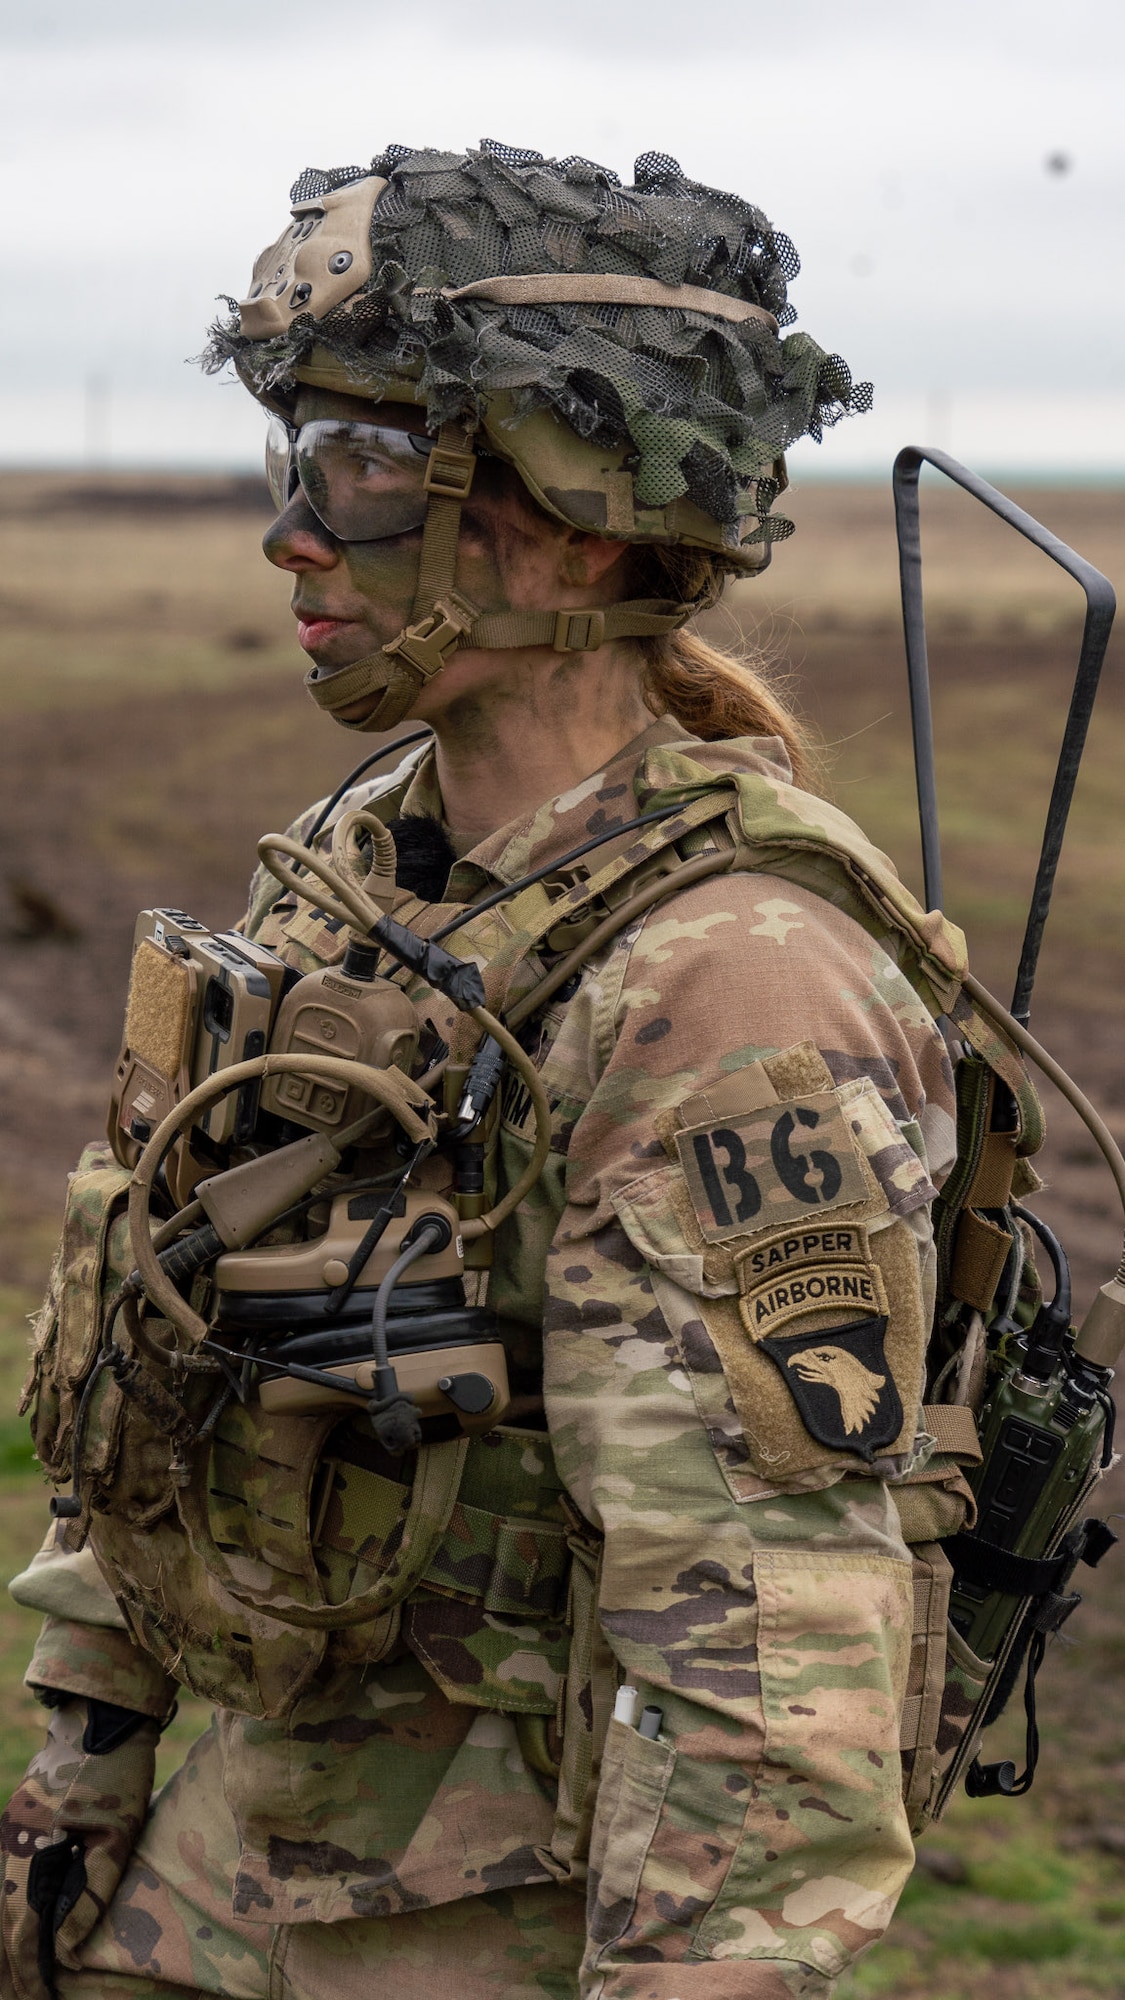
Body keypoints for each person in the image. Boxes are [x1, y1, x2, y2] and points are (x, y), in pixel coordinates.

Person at [2, 141, 966, 2000]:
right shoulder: (363, 868)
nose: (293, 532)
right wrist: (76, 1795)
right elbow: (161, 1376)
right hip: (232, 1867)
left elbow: (764, 1669)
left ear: (579, 519)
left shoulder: (727, 989)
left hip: (487, 1927)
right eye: (302, 462)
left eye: (364, 468)